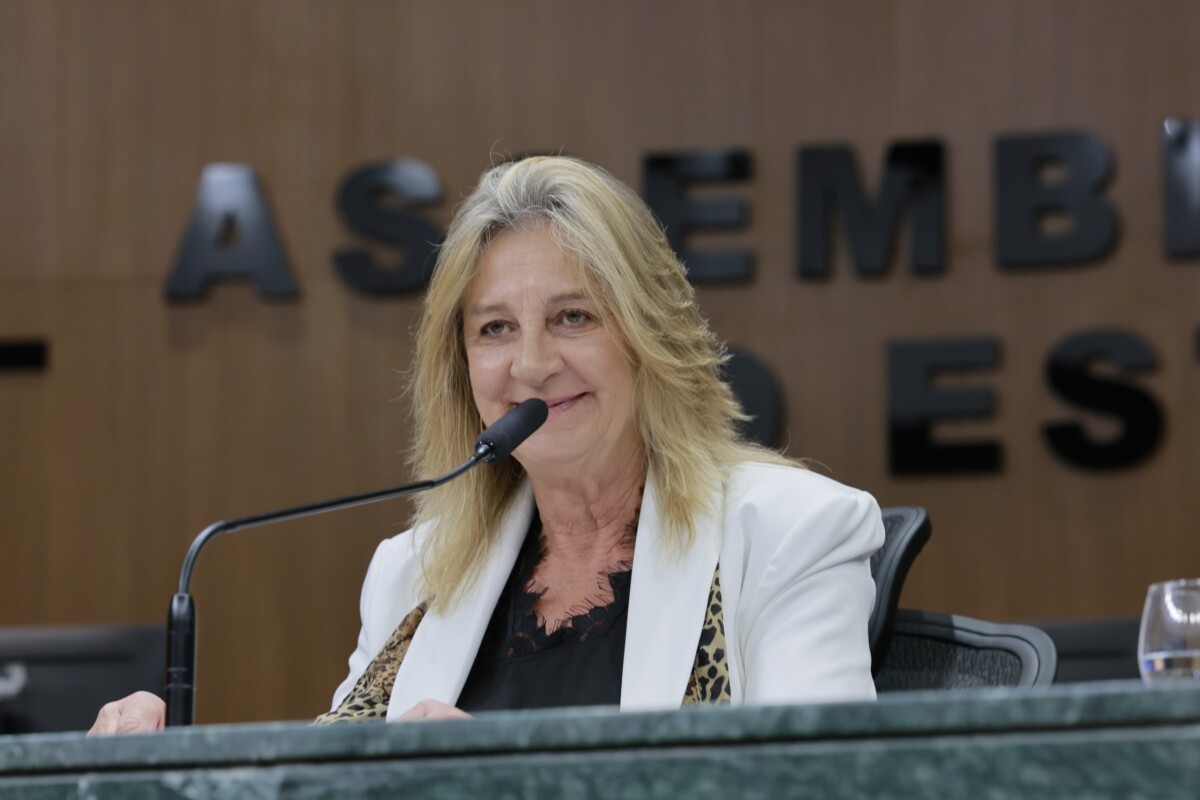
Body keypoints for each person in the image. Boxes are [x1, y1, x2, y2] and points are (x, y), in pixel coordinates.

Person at [89, 155, 883, 734]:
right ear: (462, 365)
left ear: (650, 337)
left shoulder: (790, 533)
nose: (531, 364)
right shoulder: (415, 573)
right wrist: (167, 779)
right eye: (496, 329)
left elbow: (827, 787)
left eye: (574, 317)